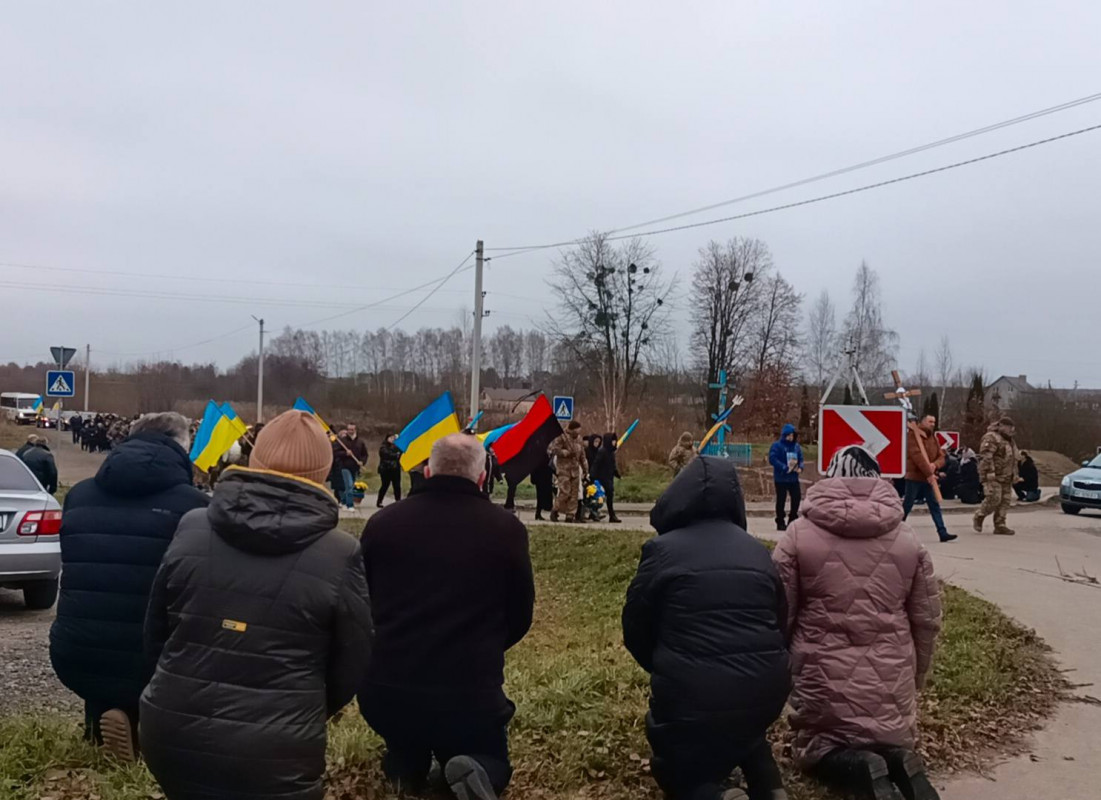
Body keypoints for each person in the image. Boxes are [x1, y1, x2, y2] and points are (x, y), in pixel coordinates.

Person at [140, 410, 374, 800]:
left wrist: (171, 685)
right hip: (279, 745)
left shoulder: (193, 525)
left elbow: (155, 633)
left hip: (171, 726)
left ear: (255, 460)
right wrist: (305, 706)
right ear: (322, 471)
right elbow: (353, 659)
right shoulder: (339, 552)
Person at [358, 433, 534, 800]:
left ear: (426, 470)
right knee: (492, 758)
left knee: (404, 743)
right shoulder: (505, 530)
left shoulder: (382, 525)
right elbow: (520, 614)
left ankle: (406, 767)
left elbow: (364, 602)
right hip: (468, 690)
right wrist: (484, 646)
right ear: (483, 477)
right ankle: (474, 769)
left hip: (386, 690)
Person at [773, 446, 943, 800]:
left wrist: (782, 670)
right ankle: (899, 760)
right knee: (888, 738)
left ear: (832, 476)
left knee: (819, 748)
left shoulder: (798, 535)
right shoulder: (908, 539)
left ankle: (860, 767)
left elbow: (778, 614)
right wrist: (917, 676)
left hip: (822, 680)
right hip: (892, 680)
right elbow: (926, 620)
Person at [624, 457, 791, 800]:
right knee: (746, 730)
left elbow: (635, 627)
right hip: (767, 689)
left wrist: (667, 665)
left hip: (692, 693)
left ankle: (713, 795)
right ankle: (771, 787)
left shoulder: (662, 550)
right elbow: (780, 619)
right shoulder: (757, 551)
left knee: (673, 762)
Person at [49, 413, 209, 760]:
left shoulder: (78, 496)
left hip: (76, 647)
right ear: (182, 447)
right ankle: (142, 737)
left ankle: (100, 730)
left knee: (106, 655)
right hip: (154, 654)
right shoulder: (196, 508)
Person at [902, 415, 957, 543]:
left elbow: (941, 456)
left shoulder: (933, 437)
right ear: (922, 422)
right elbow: (917, 456)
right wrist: (929, 472)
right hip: (915, 476)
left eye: (934, 422)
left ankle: (942, 532)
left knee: (934, 505)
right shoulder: (912, 435)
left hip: (929, 477)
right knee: (908, 504)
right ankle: (895, 529)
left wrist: (934, 465)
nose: (932, 424)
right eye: (930, 421)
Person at [974, 416, 1018, 536]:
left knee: (1005, 501)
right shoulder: (991, 437)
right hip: (993, 475)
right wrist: (989, 472)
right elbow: (986, 456)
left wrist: (1015, 474)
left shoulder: (1010, 440)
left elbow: (1014, 458)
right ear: (1001, 426)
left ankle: (1000, 524)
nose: (1011, 430)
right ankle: (980, 515)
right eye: (1008, 427)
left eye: (1012, 428)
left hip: (1006, 476)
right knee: (994, 498)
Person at [548, 420, 588, 523]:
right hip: (564, 470)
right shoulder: (562, 437)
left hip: (575, 470)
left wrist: (585, 469)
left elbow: (582, 456)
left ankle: (570, 514)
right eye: (577, 430)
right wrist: (565, 452)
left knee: (574, 494)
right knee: (564, 492)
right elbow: (554, 449)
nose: (578, 432)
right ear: (572, 429)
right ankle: (555, 510)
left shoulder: (579, 439)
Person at [769, 424, 804, 532]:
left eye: (792, 435)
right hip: (781, 478)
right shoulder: (777, 446)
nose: (790, 438)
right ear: (784, 436)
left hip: (793, 478)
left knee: (796, 498)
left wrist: (800, 468)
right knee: (781, 500)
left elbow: (801, 459)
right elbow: (772, 459)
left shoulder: (796, 447)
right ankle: (780, 521)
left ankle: (793, 518)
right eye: (788, 436)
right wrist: (783, 467)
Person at [334, 423, 368, 509]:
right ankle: (350, 505)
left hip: (355, 467)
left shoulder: (360, 442)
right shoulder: (342, 441)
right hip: (344, 467)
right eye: (349, 429)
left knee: (351, 486)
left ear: (355, 430)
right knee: (349, 485)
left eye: (352, 430)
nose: (350, 431)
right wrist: (345, 453)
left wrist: (362, 462)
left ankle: (343, 501)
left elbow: (365, 454)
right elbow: (335, 452)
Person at [591, 432, 622, 523]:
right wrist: (592, 476)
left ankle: (612, 515)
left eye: (615, 440)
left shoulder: (611, 452)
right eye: (613, 440)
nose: (614, 442)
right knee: (598, 497)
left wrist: (617, 474)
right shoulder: (602, 451)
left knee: (609, 497)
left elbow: (613, 466)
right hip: (602, 478)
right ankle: (596, 513)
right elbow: (596, 464)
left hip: (609, 478)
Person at [377, 433, 403, 507]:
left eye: (393, 438)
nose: (392, 439)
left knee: (397, 486)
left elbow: (401, 453)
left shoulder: (397, 447)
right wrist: (396, 455)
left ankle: (398, 501)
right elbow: (387, 455)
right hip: (386, 469)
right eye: (391, 438)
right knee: (385, 485)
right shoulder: (383, 447)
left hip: (395, 469)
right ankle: (379, 501)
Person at [530, 456, 555, 521]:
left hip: (542, 476)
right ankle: (539, 513)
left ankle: (539, 513)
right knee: (542, 495)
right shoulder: (544, 454)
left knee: (541, 496)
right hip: (543, 476)